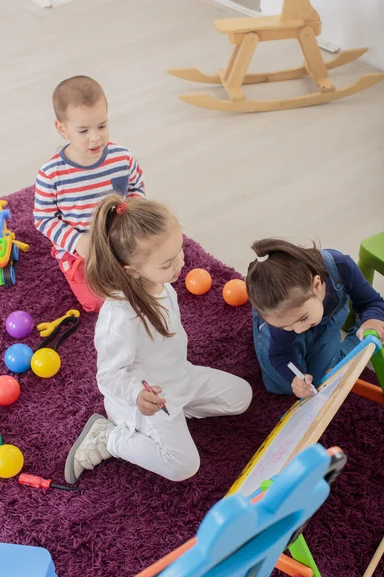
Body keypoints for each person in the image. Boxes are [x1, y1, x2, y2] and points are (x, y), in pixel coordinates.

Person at [64, 195, 252, 483]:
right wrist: (137, 397)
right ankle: (109, 436)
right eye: (167, 263)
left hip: (178, 376)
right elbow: (109, 376)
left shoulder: (161, 284)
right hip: (149, 398)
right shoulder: (120, 317)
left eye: (179, 251)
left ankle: (170, 420)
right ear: (132, 270)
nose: (180, 264)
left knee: (242, 397)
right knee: (183, 466)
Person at [33, 76, 145, 312]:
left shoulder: (122, 158)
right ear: (62, 129)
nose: (96, 137)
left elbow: (136, 191)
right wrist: (76, 241)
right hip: (80, 250)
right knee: (97, 303)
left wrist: (128, 223)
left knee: (147, 280)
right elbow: (43, 219)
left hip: (118, 239)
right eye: (83, 130)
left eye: (102, 126)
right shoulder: (50, 174)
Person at [245, 238, 384, 398]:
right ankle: (269, 326)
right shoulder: (280, 315)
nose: (299, 330)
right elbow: (280, 354)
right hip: (282, 321)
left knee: (325, 378)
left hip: (327, 319)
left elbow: (372, 302)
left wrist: (372, 319)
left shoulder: (341, 266)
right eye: (286, 326)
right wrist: (295, 378)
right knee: (285, 385)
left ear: (316, 285)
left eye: (303, 318)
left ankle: (361, 334)